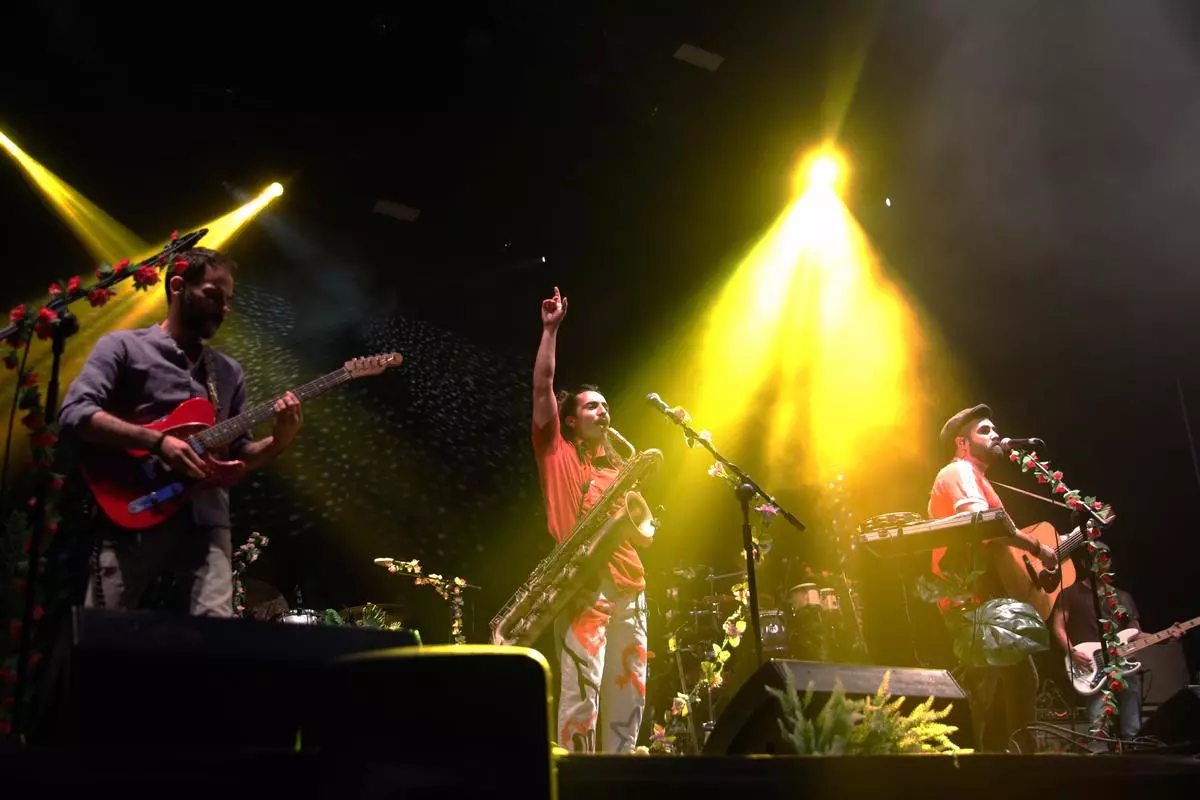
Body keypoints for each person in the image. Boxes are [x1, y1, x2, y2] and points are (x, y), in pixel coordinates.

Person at [57, 247, 303, 617]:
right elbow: (75, 413)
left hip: (206, 519)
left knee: (214, 634)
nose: (223, 308)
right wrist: (157, 442)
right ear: (177, 287)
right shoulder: (123, 347)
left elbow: (240, 452)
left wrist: (280, 440)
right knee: (107, 632)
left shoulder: (228, 372)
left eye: (228, 300)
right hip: (132, 507)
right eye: (213, 295)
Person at [532, 286, 649, 754]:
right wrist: (550, 330)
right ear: (571, 421)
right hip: (584, 586)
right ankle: (581, 779)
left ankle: (622, 775)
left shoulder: (620, 469)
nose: (604, 411)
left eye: (606, 404)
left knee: (631, 692)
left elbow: (641, 531)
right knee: (583, 696)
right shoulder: (556, 452)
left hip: (632, 587)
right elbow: (542, 387)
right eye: (592, 406)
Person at [927, 404, 1060, 753]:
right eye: (984, 430)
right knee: (989, 687)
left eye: (994, 428)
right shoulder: (959, 471)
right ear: (962, 443)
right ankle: (989, 765)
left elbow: (998, 540)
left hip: (983, 597)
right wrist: (1038, 548)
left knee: (1008, 683)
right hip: (970, 597)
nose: (995, 434)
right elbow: (984, 524)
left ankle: (1001, 760)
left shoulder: (978, 477)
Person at [1050, 557, 1174, 743]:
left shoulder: (1122, 597)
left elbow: (1135, 634)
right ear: (1085, 563)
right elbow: (1058, 626)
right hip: (1091, 665)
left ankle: (1132, 753)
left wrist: (1164, 637)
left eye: (1105, 560)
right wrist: (1072, 651)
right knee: (1098, 727)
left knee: (1132, 727)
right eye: (1096, 559)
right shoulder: (1070, 593)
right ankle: (1101, 756)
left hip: (1123, 666)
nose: (1102, 564)